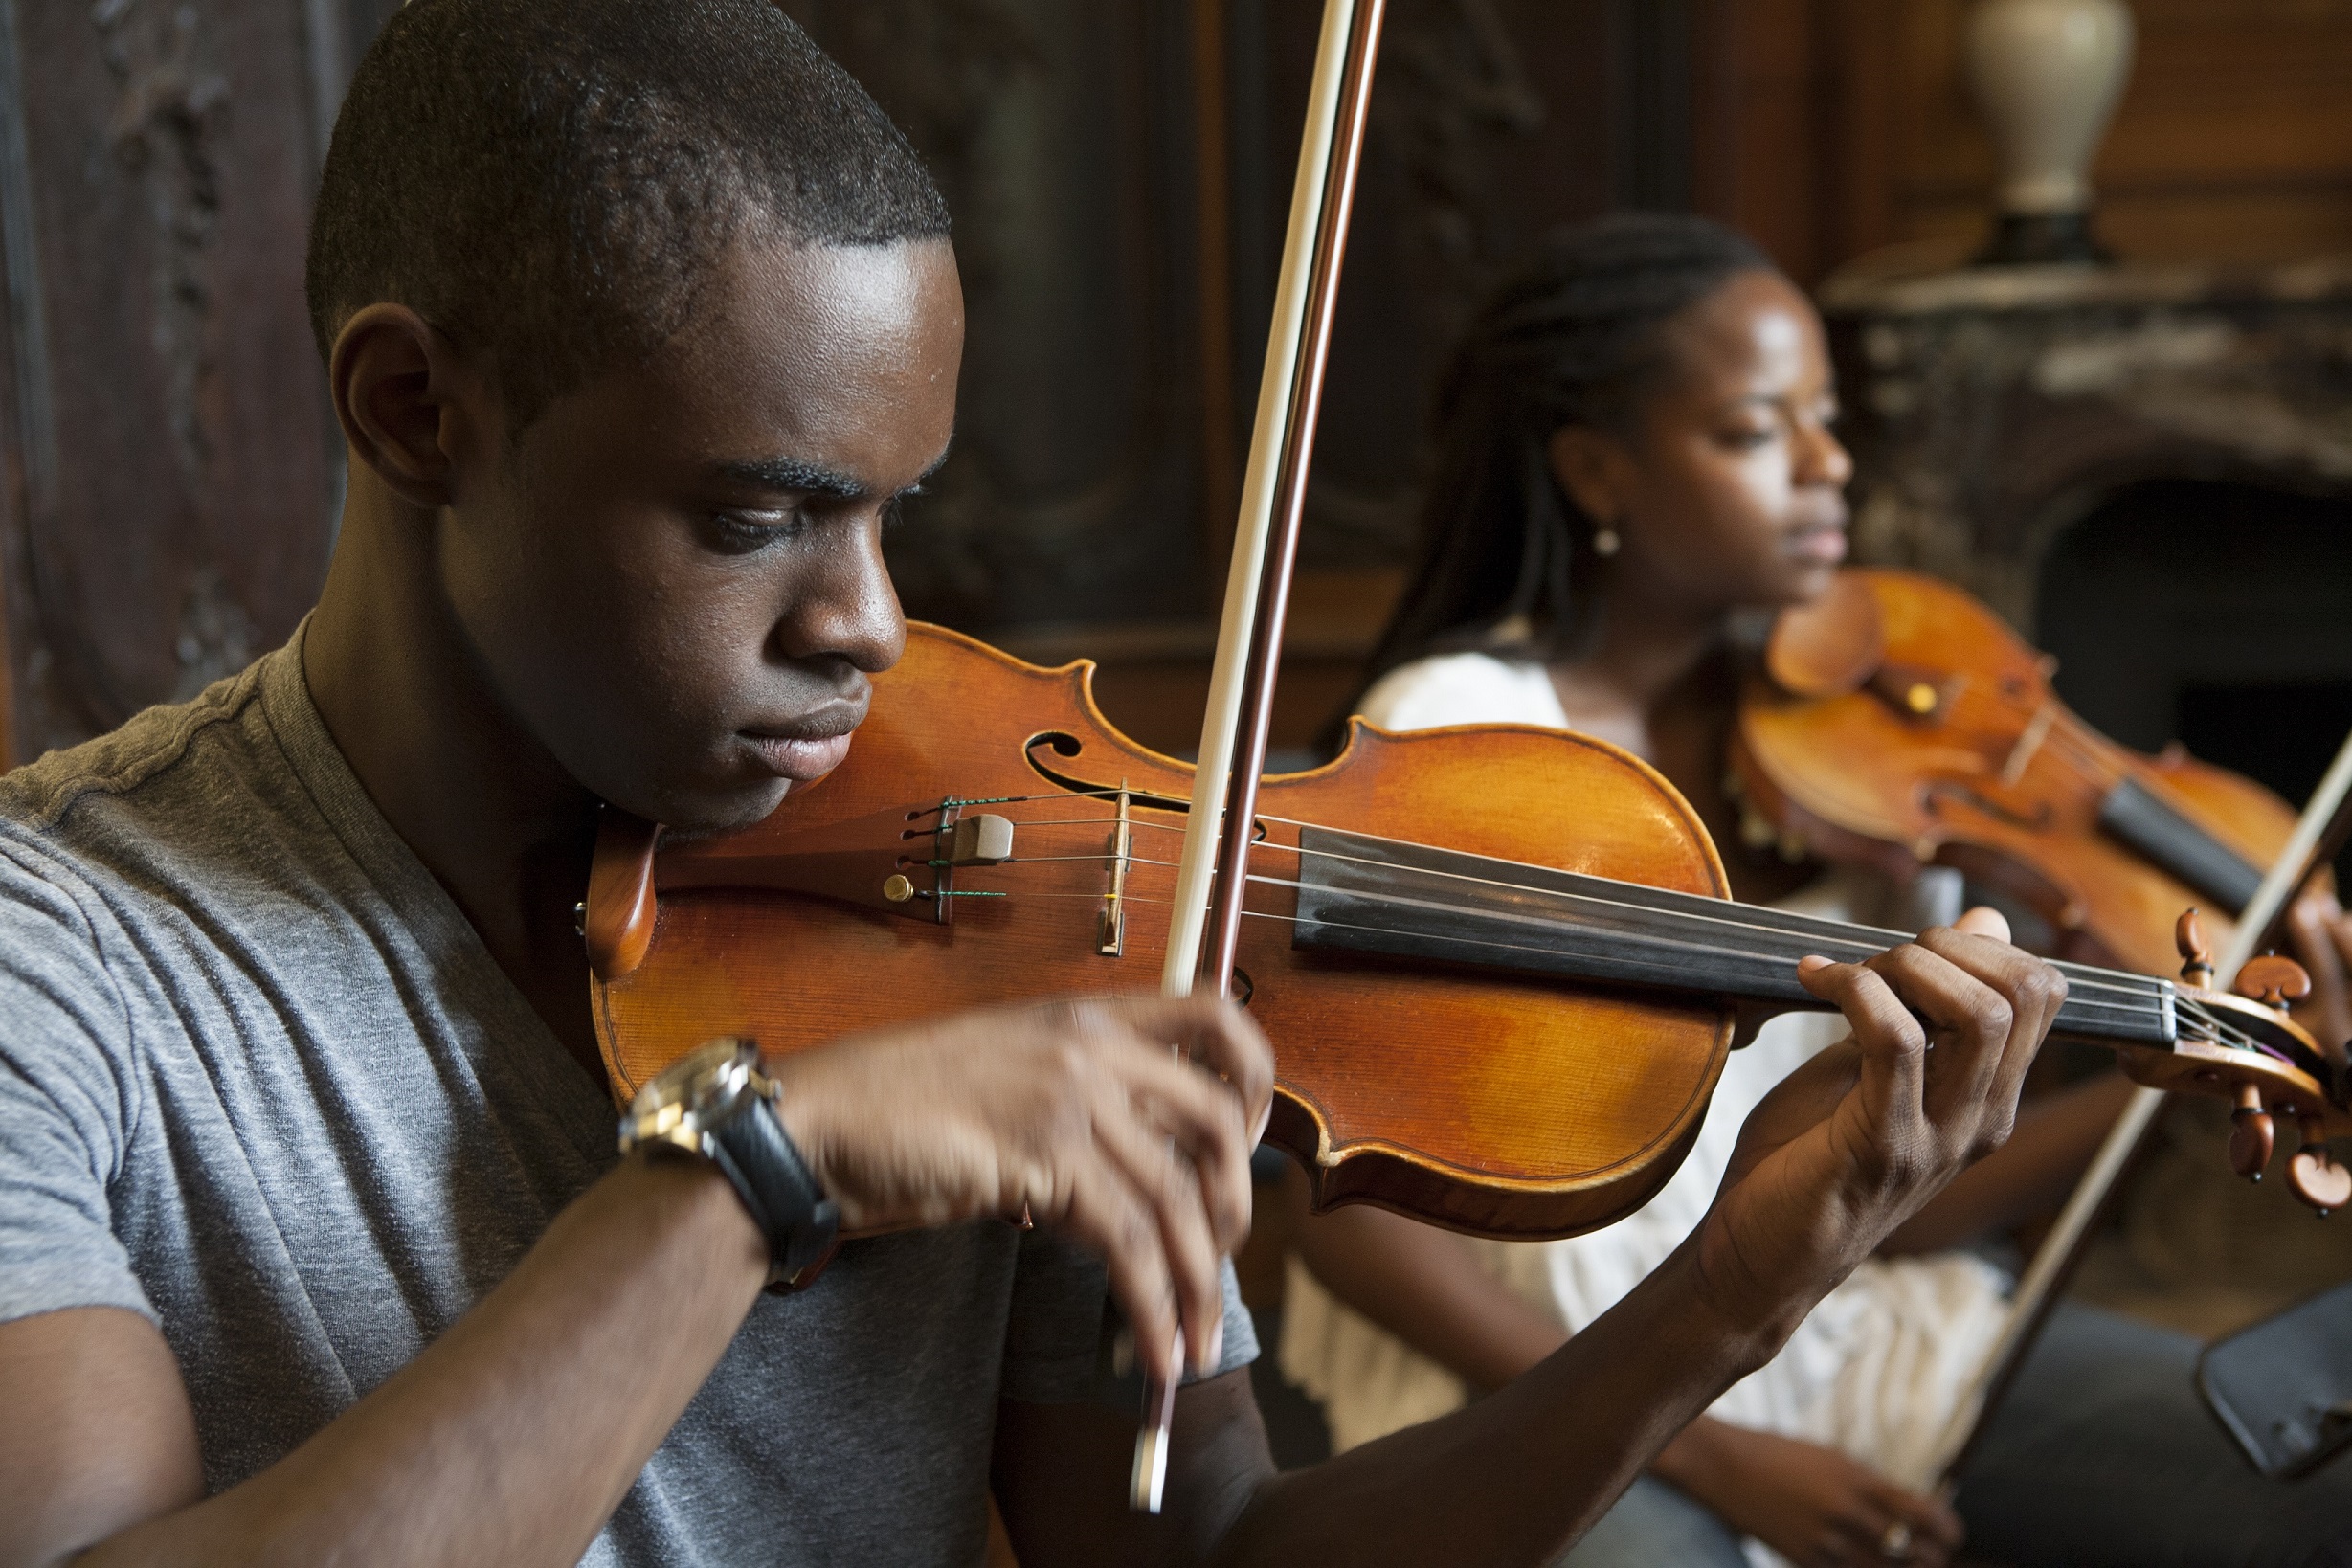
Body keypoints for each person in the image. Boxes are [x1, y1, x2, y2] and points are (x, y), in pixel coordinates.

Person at [0, 10, 2072, 1567]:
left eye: (896, 516)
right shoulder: (63, 948)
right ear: (413, 409)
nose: (873, 628)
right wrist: (751, 1175)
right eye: (757, 520)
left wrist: (1715, 1303)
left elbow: (1217, 1561)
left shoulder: (1003, 926)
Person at [1280, 213, 2352, 1568]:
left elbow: (1909, 1188)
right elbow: (1348, 1231)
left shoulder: (1870, 758)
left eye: (1828, 420)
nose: (1827, 465)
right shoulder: (1470, 733)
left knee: (2306, 1489)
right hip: (1536, 1382)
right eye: (1752, 432)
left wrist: (2151, 1071)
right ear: (1597, 470)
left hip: (1841, 1336)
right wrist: (1715, 1451)